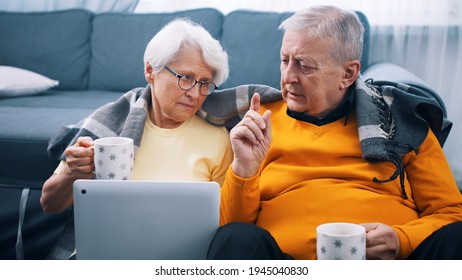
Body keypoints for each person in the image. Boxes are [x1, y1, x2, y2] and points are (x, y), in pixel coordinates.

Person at [207, 5, 462, 260]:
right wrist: (244, 168)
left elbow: (451, 213)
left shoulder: (401, 121)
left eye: (305, 66)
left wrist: (402, 240)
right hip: (285, 267)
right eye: (285, 60)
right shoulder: (258, 122)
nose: (288, 77)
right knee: (235, 238)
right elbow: (230, 226)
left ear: (348, 73)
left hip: (388, 267)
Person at [41, 18, 232, 215]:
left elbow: (223, 217)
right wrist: (72, 173)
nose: (195, 93)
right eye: (186, 78)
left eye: (204, 83)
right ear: (150, 71)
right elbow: (49, 204)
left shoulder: (218, 139)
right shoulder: (106, 125)